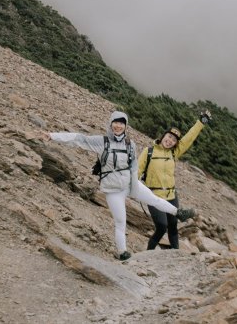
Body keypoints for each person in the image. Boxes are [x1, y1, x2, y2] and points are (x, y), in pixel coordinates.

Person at [45, 110, 195, 260]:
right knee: (120, 221)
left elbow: (134, 167)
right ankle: (123, 252)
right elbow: (79, 139)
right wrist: (52, 136)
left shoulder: (130, 144)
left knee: (153, 199)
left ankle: (178, 213)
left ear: (125, 126)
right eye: (116, 122)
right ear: (110, 124)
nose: (118, 126)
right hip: (113, 190)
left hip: (129, 183)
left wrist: (135, 189)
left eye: (122, 123)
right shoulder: (102, 142)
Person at [137, 109, 210, 250]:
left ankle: (176, 254)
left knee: (173, 226)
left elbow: (189, 138)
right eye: (169, 136)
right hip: (153, 196)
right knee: (161, 226)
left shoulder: (174, 153)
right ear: (163, 135)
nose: (170, 141)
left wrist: (201, 123)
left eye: (174, 140)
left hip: (171, 195)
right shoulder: (149, 152)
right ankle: (148, 254)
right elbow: (137, 171)